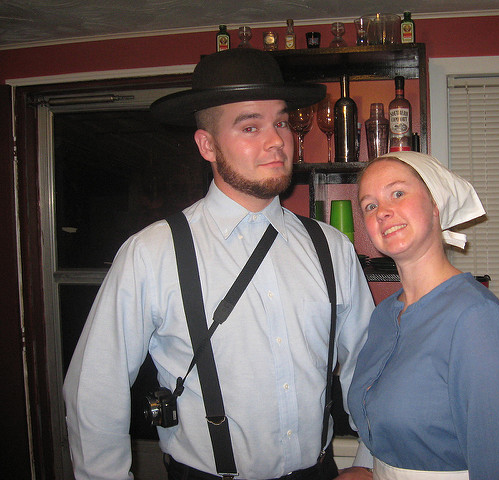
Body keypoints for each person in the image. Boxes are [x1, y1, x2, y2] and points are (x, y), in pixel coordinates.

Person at [63, 48, 375, 480]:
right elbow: (94, 390)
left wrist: (368, 461)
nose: (276, 141)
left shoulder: (332, 248)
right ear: (207, 144)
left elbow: (369, 364)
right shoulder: (153, 252)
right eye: (251, 126)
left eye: (281, 121)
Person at [348, 152, 499, 480]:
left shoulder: (476, 319)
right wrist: (366, 468)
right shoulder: (383, 317)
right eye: (370, 205)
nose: (383, 212)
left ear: (435, 206)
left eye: (398, 193)